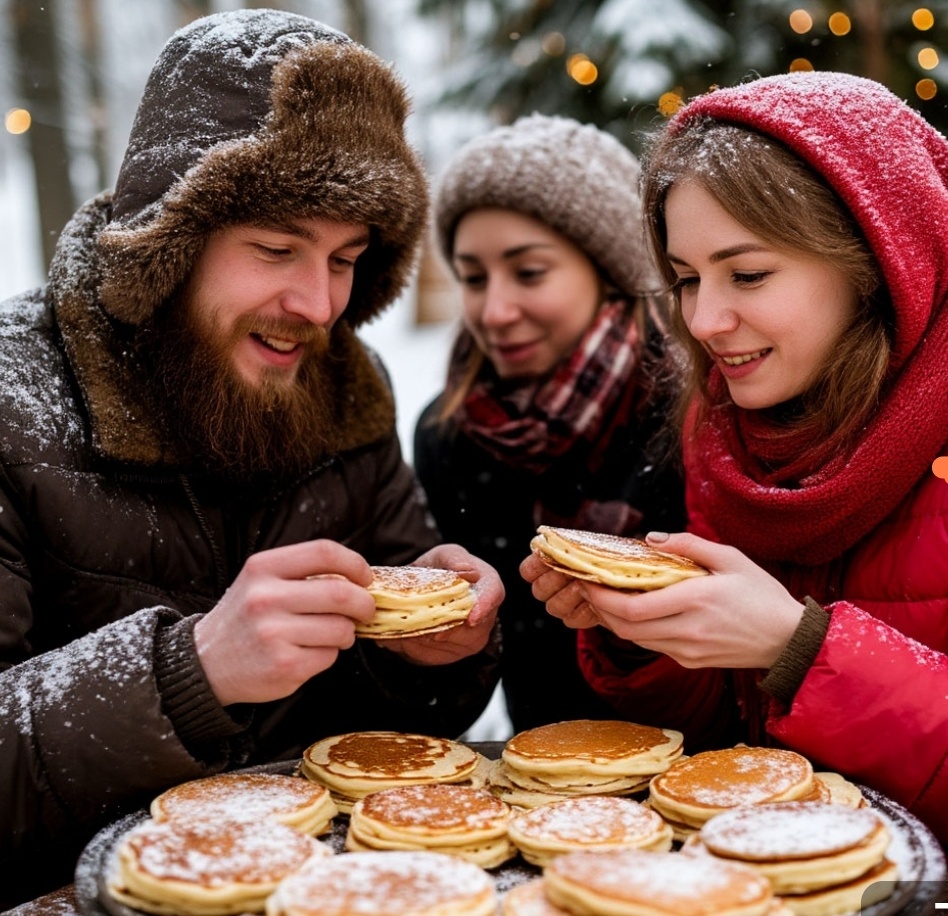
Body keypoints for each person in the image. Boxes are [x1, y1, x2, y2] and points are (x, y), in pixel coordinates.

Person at [0, 9, 504, 907]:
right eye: (276, 249)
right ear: (171, 240)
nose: (317, 304)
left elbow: (400, 735)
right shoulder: (12, 400)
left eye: (347, 259)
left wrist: (430, 655)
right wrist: (190, 674)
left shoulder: (347, 385)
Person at [521, 71, 948, 843]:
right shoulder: (733, 437)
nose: (707, 320)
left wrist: (800, 648)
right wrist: (652, 637)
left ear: (876, 261)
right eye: (686, 279)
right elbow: (737, 749)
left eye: (747, 273)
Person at [413, 114, 686, 733]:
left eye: (529, 272)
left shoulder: (693, 414)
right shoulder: (449, 435)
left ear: (606, 269)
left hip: (699, 776)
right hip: (536, 783)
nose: (495, 310)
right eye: (473, 278)